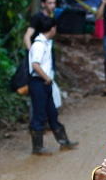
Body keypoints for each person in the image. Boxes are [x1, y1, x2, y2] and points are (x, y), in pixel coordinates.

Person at [27, 16, 77, 155]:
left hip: (45, 82)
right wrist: (46, 77)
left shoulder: (46, 43)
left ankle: (64, 142)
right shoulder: (39, 45)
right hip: (39, 82)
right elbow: (35, 65)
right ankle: (37, 147)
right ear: (52, 28)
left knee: (52, 112)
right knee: (39, 114)